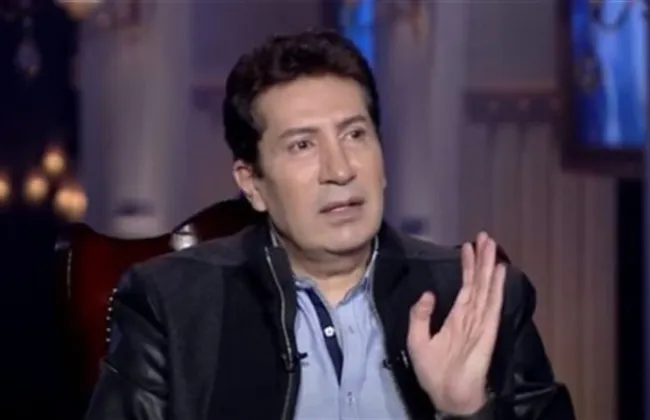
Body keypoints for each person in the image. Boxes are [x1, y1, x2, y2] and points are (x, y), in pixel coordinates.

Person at [84, 29, 576, 419]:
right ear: (252, 183)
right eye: (302, 145)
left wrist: (466, 411)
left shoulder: (474, 300)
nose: (340, 170)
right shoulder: (173, 305)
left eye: (355, 135)